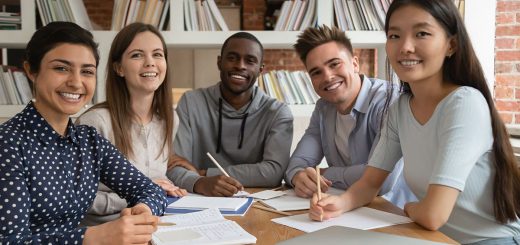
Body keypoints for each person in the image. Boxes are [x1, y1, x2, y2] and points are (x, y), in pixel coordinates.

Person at [309, 1, 520, 244]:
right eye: (394, 35)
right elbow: (369, 184)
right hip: (433, 238)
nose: (405, 47)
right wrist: (339, 203)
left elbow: (432, 215)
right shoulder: (400, 109)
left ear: (451, 44)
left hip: (490, 240)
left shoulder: (464, 103)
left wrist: (409, 207)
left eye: (421, 33)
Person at [0, 22, 167, 244]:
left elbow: (150, 189)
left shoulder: (89, 140)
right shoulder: (8, 143)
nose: (76, 82)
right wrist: (93, 237)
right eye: (61, 68)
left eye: (87, 71)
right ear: (31, 70)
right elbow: (10, 241)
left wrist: (142, 210)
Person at [285, 25, 415, 208]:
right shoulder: (323, 108)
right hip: (347, 210)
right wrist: (298, 176)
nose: (328, 76)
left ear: (355, 64)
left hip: (395, 213)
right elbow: (298, 162)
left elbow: (383, 181)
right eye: (316, 72)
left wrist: (323, 173)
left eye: (334, 64)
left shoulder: (388, 102)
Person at [76, 23, 187, 226]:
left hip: (155, 223)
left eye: (157, 54)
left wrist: (166, 188)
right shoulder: (94, 123)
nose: (150, 63)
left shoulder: (170, 118)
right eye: (137, 55)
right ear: (119, 68)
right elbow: (77, 200)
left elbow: (159, 176)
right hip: (106, 229)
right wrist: (146, 192)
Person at [167, 32, 294, 197]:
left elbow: (274, 172)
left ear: (261, 69)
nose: (240, 66)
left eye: (250, 61)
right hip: (200, 199)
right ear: (219, 62)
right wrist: (200, 183)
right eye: (232, 58)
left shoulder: (277, 112)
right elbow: (173, 167)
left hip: (258, 202)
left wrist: (204, 173)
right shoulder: (191, 102)